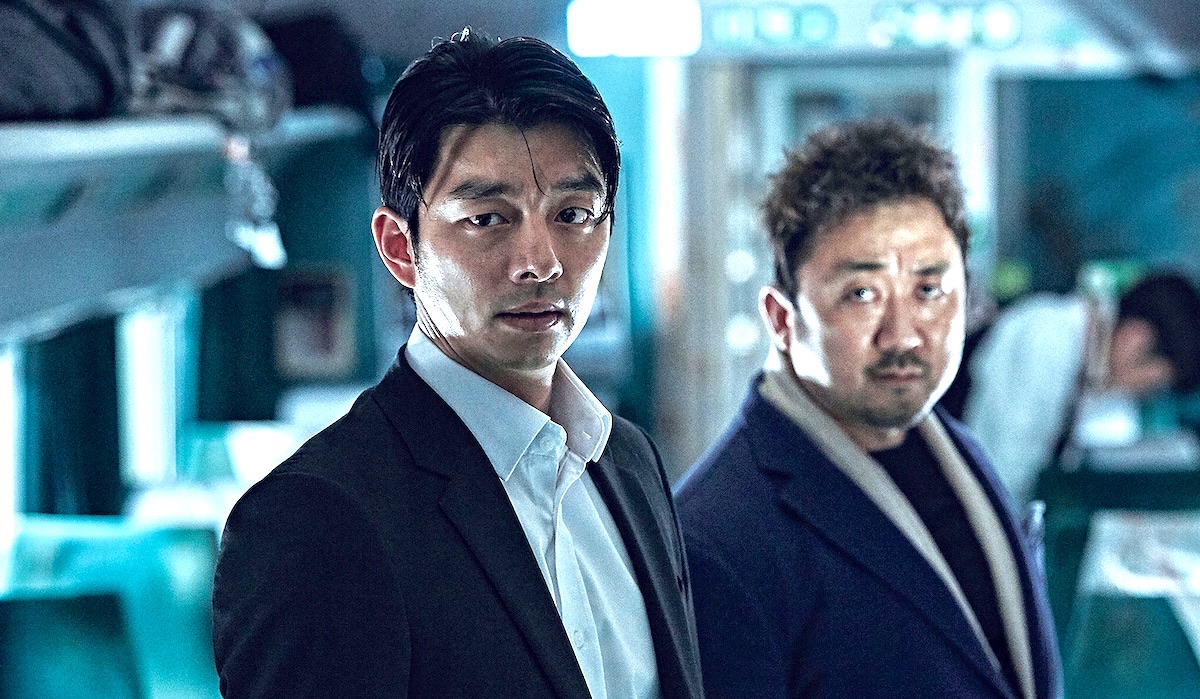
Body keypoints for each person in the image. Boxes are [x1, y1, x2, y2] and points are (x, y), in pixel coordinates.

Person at [212, 30, 702, 699]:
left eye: (573, 214)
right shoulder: (316, 520)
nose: (541, 262)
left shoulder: (630, 464)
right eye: (487, 219)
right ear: (399, 247)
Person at [674, 120, 1061, 699]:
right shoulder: (719, 538)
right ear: (781, 320)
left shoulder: (957, 449)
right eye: (861, 295)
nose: (903, 334)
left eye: (929, 290)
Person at [958, 270, 1200, 504]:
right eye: (1156, 385)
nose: (1143, 394)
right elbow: (1000, 472)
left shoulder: (1085, 370)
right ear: (1136, 338)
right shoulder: (1048, 336)